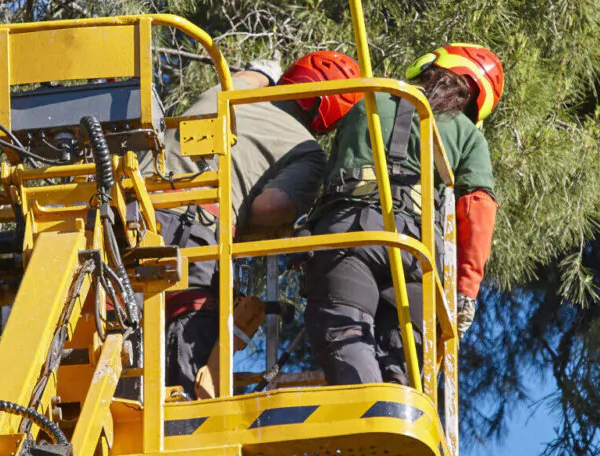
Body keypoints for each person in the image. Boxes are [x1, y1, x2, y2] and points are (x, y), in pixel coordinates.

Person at [158, 50, 362, 392]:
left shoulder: (224, 93)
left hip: (127, 212)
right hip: (194, 231)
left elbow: (246, 78)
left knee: (113, 318)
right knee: (189, 326)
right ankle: (184, 419)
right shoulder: (307, 151)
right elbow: (269, 208)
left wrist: (262, 73)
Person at [302, 44, 503, 386]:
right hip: (418, 254)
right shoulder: (468, 136)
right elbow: (477, 209)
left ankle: (370, 410)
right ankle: (391, 413)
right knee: (403, 357)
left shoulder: (368, 100)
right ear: (477, 104)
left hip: (350, 234)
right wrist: (466, 292)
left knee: (344, 332)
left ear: (428, 65)